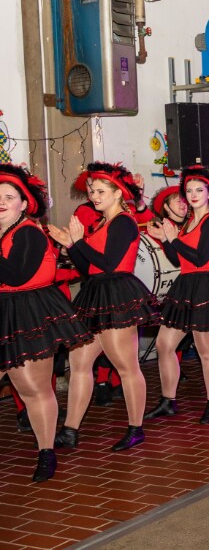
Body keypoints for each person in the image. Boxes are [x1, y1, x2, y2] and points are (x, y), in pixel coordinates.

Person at [47, 163, 158, 452]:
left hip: (116, 294)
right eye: (92, 192)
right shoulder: (100, 224)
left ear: (118, 193)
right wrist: (72, 246)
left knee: (126, 367)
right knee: (79, 365)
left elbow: (109, 264)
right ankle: (70, 430)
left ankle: (136, 428)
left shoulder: (124, 222)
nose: (94, 197)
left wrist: (78, 242)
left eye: (100, 191)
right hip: (95, 294)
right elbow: (89, 269)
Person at [0, 164, 90, 481]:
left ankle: (46, 452)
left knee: (34, 390)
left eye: (8, 197)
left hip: (27, 311)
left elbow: (16, 275)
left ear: (24, 203)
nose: (1, 203)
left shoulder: (28, 232)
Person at [144, 166, 209, 424]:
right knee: (164, 344)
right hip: (186, 285)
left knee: (206, 349)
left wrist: (173, 239)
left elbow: (200, 259)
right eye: (189, 191)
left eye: (199, 190)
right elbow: (178, 260)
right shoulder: (188, 223)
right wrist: (165, 239)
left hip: (207, 285)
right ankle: (168, 401)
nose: (193, 195)